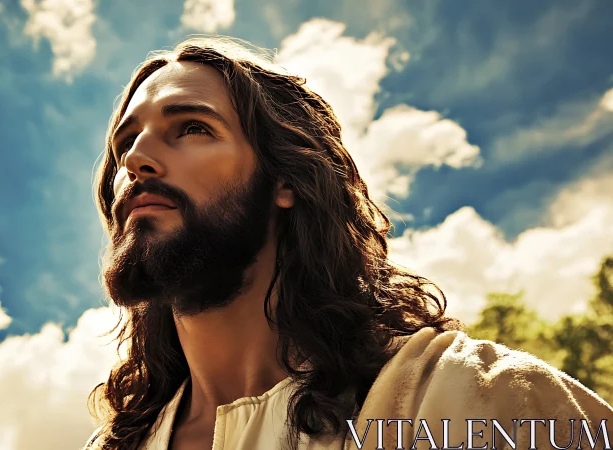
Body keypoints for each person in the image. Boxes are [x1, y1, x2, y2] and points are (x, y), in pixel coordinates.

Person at [82, 37, 613, 450]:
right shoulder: (117, 444)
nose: (135, 159)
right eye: (126, 141)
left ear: (285, 181)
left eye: (192, 127)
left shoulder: (468, 401)